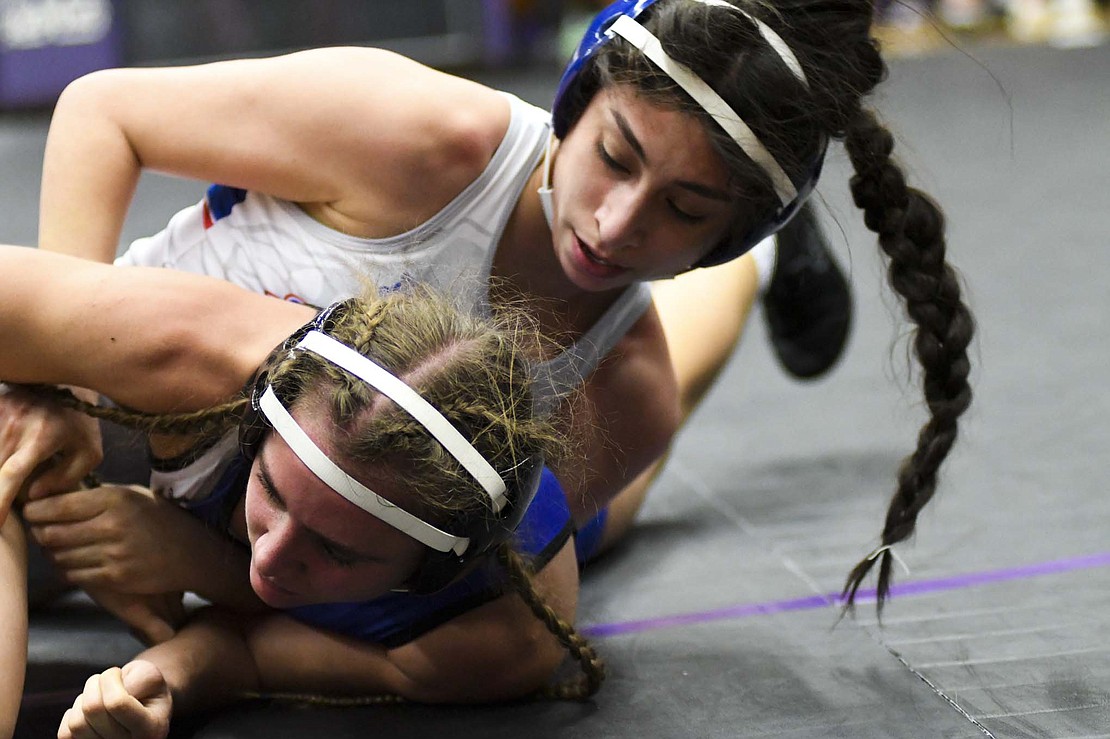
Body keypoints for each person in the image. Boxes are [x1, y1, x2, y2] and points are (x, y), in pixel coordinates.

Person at [12, 0, 970, 604]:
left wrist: (201, 566)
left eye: (683, 208)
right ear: (574, 101)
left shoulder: (626, 401)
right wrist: (56, 379)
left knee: (619, 483)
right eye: (614, 158)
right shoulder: (418, 135)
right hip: (124, 393)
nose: (617, 222)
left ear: (729, 227)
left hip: (457, 472)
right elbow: (104, 111)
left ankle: (750, 274)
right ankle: (749, 267)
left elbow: (427, 599)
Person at [0, 245, 602, 739]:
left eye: (336, 550)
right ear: (260, 424)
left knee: (624, 476)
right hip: (176, 380)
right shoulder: (185, 348)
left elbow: (254, 654)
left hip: (542, 537)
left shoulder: (496, 638)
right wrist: (53, 389)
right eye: (270, 489)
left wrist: (159, 680)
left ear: (428, 573)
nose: (270, 557)